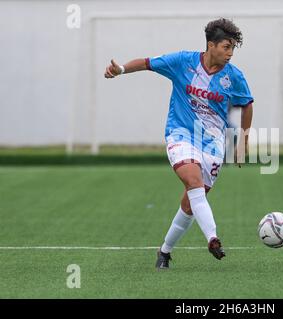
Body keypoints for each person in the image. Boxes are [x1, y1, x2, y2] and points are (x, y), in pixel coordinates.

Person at [104, 18, 254, 270]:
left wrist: (243, 139)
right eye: (226, 47)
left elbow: (247, 103)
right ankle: (213, 238)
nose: (230, 54)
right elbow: (147, 63)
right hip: (180, 134)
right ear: (211, 45)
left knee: (190, 204)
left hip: (213, 145)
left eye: (232, 49)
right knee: (193, 181)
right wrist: (120, 69)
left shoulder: (234, 77)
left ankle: (165, 251)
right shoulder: (183, 61)